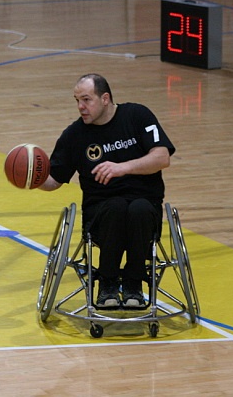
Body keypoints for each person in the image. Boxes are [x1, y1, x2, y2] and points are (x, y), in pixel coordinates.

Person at [40, 74, 175, 309]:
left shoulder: (137, 115)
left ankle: (134, 283)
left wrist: (122, 168)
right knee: (116, 206)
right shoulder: (74, 135)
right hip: (101, 211)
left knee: (138, 208)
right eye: (77, 100)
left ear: (105, 99)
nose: (81, 107)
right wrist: (31, 178)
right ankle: (107, 282)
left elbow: (162, 157)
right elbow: (53, 181)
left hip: (145, 206)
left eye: (86, 99)